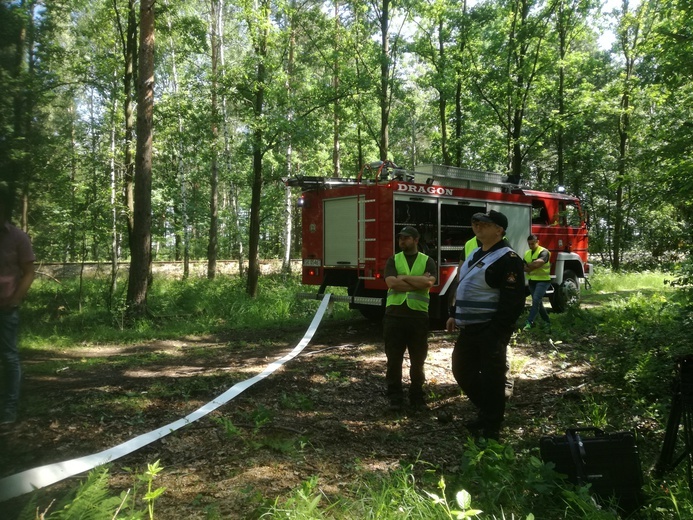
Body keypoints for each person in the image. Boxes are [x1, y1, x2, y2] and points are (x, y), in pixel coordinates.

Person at [445, 210, 525, 440]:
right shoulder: (474, 254)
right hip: (469, 329)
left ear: (499, 230)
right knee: (462, 370)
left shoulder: (507, 259)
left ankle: (492, 425)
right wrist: (454, 313)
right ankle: (488, 409)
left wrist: (497, 332)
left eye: (484, 224)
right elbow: (463, 286)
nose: (477, 226)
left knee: (493, 377)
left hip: (490, 329)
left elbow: (513, 302)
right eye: (475, 223)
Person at [383, 226, 437, 412]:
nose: (402, 241)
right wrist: (417, 282)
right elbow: (391, 283)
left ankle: (417, 396)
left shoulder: (427, 261)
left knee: (418, 359)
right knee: (394, 359)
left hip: (418, 317)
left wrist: (404, 278)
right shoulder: (393, 260)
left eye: (406, 238)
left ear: (416, 240)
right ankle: (395, 397)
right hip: (394, 317)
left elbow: (428, 283)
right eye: (400, 238)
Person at [0, 185, 35, 426]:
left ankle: (9, 409)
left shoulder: (17, 237)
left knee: (9, 357)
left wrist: (15, 300)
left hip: (6, 309)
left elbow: (29, 272)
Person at [522, 234, 551, 331]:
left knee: (535, 300)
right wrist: (532, 265)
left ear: (537, 242)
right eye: (529, 244)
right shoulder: (527, 253)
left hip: (543, 281)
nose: (531, 246)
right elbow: (523, 266)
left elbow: (538, 264)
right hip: (532, 281)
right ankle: (547, 321)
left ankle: (529, 322)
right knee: (538, 303)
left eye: (533, 244)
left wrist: (529, 266)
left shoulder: (544, 252)